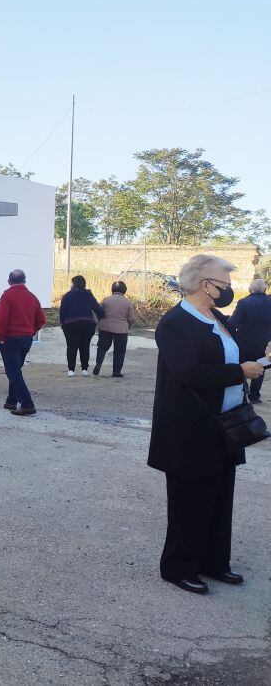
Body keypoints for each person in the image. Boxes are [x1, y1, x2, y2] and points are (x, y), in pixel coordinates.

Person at [148, 254, 264, 594]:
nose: (229, 289)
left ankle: (214, 562)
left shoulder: (218, 317)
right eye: (224, 283)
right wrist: (239, 372)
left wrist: (261, 357)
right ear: (205, 285)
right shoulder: (174, 323)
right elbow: (188, 373)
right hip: (190, 427)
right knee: (189, 500)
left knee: (219, 496)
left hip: (226, 424)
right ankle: (179, 567)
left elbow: (232, 354)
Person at [0, 269, 46, 416]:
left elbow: (2, 318)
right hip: (26, 338)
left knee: (13, 372)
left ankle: (27, 404)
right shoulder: (32, 297)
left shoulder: (7, 296)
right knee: (16, 369)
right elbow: (41, 320)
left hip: (10, 338)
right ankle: (11, 400)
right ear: (25, 281)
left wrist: (1, 336)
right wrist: (32, 331)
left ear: (9, 281)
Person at [228, 278, 271, 404]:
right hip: (263, 345)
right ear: (265, 289)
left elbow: (232, 323)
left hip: (243, 344)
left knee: (242, 367)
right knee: (260, 368)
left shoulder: (243, 302)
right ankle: (254, 397)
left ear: (250, 289)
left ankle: (243, 389)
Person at [60, 275, 106, 377]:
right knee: (85, 346)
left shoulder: (68, 295)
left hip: (71, 324)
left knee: (71, 346)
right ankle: (84, 369)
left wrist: (63, 323)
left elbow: (62, 311)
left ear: (74, 284)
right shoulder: (89, 295)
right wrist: (97, 320)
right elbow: (99, 311)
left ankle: (71, 370)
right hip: (87, 324)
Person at [94, 281, 136, 378]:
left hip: (105, 327)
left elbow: (99, 313)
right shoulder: (127, 302)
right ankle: (116, 371)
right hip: (121, 329)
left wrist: (98, 322)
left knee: (102, 347)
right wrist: (128, 325)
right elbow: (132, 318)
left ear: (112, 289)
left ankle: (98, 363)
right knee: (119, 351)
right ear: (124, 290)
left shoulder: (106, 300)